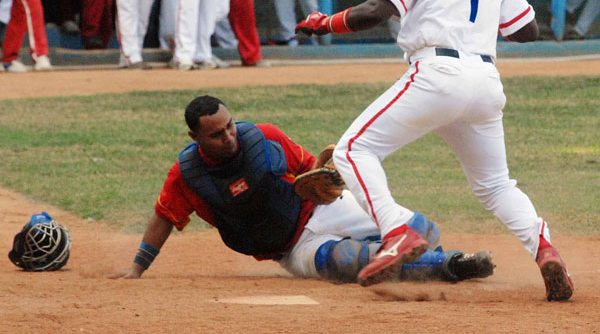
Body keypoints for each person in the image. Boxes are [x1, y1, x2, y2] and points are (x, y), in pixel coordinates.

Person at [296, 0, 574, 301]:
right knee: (496, 186)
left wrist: (326, 23)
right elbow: (527, 30)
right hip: (485, 81)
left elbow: (376, 10)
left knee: (353, 150)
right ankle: (545, 249)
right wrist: (472, 21)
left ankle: (396, 230)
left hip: (438, 73)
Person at [111, 95, 494, 284]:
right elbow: (164, 217)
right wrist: (136, 268)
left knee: (422, 230)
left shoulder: (264, 138)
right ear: (195, 136)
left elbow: (312, 171)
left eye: (230, 126)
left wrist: (321, 177)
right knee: (346, 261)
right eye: (216, 134)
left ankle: (426, 259)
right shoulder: (187, 174)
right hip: (290, 248)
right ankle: (452, 265)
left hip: (322, 211)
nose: (229, 136)